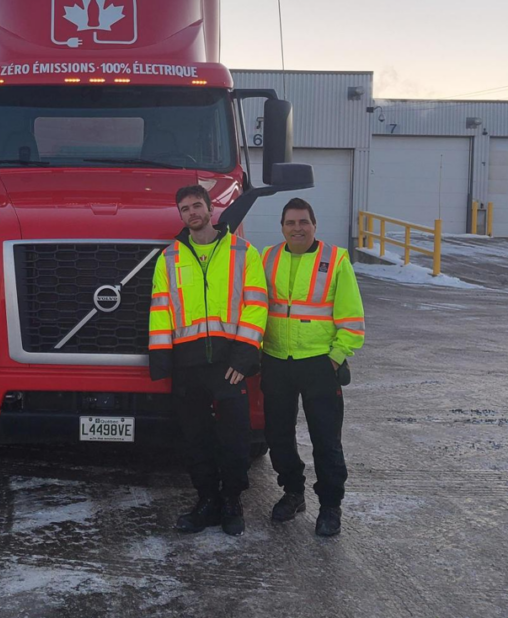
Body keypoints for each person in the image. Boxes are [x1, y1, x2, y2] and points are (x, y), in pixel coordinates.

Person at [148, 184, 268, 536]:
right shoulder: (169, 257)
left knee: (234, 437)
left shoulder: (244, 252)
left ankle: (232, 501)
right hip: (187, 365)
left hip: (229, 364)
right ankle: (206, 502)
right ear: (180, 215)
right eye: (184, 209)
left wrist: (245, 356)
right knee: (195, 437)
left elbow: (256, 306)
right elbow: (161, 310)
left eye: (197, 206)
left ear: (211, 207)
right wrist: (163, 361)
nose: (192, 213)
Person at [260, 198, 365, 536]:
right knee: (278, 437)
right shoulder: (268, 258)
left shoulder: (335, 261)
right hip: (276, 361)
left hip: (320, 364)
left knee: (326, 440)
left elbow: (352, 318)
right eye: (290, 222)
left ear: (314, 224)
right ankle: (293, 493)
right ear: (282, 227)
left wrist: (335, 358)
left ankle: (330, 507)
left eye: (303, 221)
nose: (297, 228)